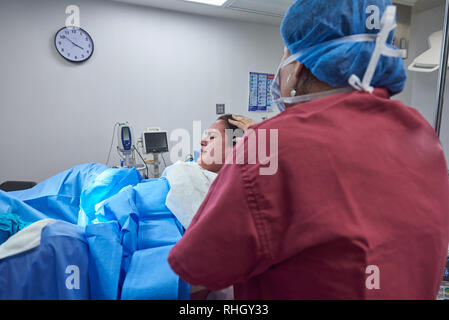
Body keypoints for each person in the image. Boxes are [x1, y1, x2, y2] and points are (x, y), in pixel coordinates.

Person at [168, 0, 449, 300]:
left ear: (300, 64)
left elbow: (197, 267)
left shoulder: (270, 147)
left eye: (285, 54)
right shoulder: (422, 134)